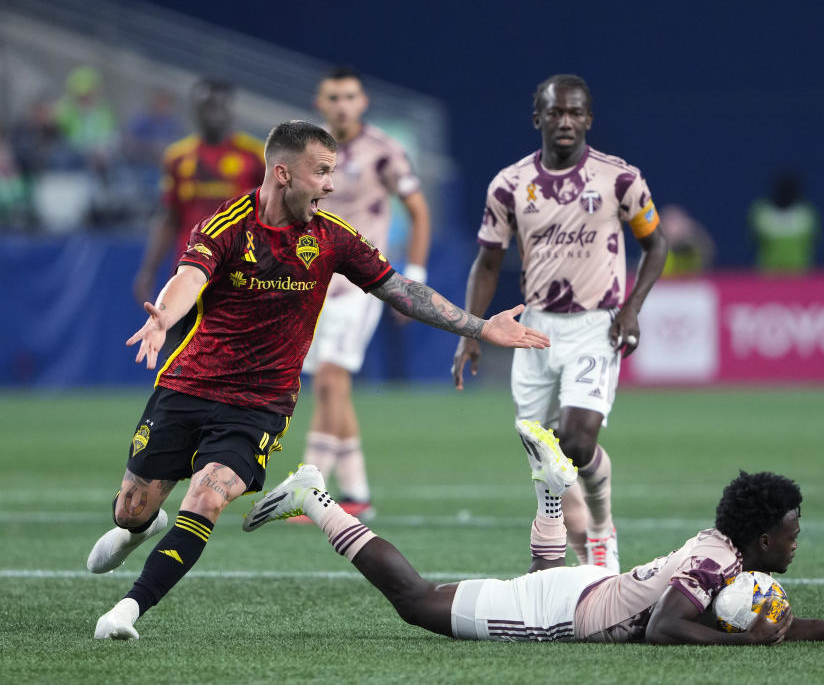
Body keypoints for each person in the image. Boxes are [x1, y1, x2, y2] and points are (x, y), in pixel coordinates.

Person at [88, 120, 550, 640]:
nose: (332, 185)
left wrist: (481, 326)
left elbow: (400, 290)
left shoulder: (333, 238)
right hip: (189, 385)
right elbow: (188, 278)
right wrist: (161, 318)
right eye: (323, 172)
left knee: (207, 498)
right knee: (130, 511)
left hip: (260, 404)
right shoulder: (227, 225)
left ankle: (127, 610)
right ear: (283, 173)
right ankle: (142, 526)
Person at [242, 435, 824, 645]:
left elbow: (761, 622)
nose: (796, 545)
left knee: (528, 579)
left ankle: (549, 495)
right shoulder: (717, 559)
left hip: (584, 590)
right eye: (791, 535)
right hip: (566, 611)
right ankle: (315, 497)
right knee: (416, 601)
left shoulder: (726, 555)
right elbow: (666, 630)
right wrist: (744, 643)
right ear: (765, 535)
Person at [452, 74, 668, 573]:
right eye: (555, 113)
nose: (565, 121)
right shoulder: (508, 185)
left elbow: (656, 245)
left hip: (596, 325)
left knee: (575, 440)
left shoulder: (620, 179)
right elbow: (487, 263)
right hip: (535, 330)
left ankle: (602, 531)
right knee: (545, 462)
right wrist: (473, 332)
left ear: (589, 119)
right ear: (538, 119)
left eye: (575, 113)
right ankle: (579, 562)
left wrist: (631, 309)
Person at [297, 67, 431, 520]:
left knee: (332, 379)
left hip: (360, 281)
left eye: (349, 96)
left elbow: (418, 210)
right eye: (333, 97)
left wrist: (411, 276)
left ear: (363, 102)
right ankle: (356, 493)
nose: (341, 104)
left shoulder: (384, 152)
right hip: (311, 281)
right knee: (331, 388)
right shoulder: (304, 150)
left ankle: (309, 490)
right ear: (320, 103)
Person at [132, 78, 264, 305]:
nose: (211, 114)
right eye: (205, 106)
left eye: (218, 106)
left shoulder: (255, 156)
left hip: (238, 274)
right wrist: (148, 270)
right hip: (188, 274)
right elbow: (169, 218)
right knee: (184, 340)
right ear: (195, 110)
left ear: (230, 108)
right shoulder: (177, 157)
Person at [748, 170, 819, 274]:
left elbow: (811, 242)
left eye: (789, 191)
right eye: (782, 190)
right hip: (768, 274)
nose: (786, 194)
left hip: (799, 274)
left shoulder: (806, 214)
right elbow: (755, 240)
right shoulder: (761, 213)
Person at [659, 204, 715, 277]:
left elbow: (707, 261)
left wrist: (695, 234)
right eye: (668, 224)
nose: (675, 230)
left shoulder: (694, 248)